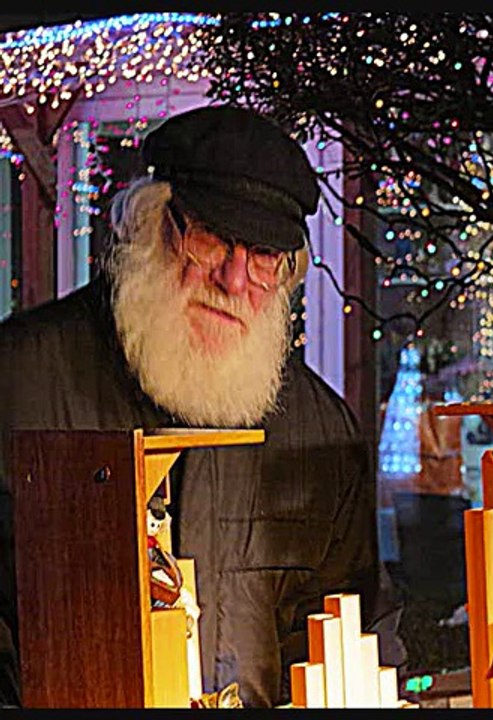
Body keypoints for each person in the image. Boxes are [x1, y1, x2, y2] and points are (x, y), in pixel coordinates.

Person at [0, 105, 404, 707]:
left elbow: (361, 641)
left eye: (263, 256)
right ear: (150, 224)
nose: (235, 281)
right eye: (211, 238)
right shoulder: (17, 380)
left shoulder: (318, 429)